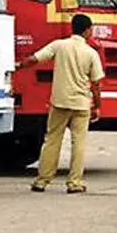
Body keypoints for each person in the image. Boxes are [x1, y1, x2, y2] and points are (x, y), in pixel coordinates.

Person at [15, 14, 104, 194]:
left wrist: (18, 65)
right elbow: (96, 83)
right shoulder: (91, 53)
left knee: (52, 141)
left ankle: (42, 181)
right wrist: (97, 105)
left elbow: (34, 59)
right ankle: (74, 183)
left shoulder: (59, 45)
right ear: (87, 31)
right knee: (78, 143)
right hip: (81, 104)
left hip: (60, 102)